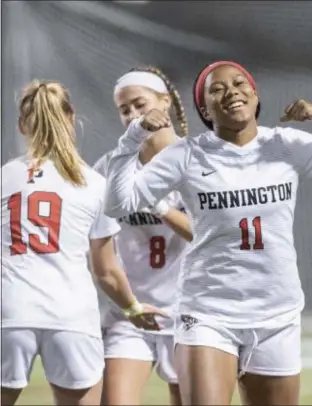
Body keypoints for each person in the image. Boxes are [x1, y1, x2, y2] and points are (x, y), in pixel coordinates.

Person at [103, 61, 312, 406]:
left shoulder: (284, 144)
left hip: (276, 314)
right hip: (208, 311)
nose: (232, 92)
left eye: (240, 83)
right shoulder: (187, 154)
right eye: (217, 89)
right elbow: (119, 204)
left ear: (255, 94)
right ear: (203, 108)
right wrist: (133, 137)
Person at [1, 80, 167, 406]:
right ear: (71, 116)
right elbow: (105, 270)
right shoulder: (92, 182)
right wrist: (132, 308)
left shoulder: (4, 176)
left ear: (22, 125)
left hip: (8, 312)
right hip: (71, 315)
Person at [94, 66, 191, 406]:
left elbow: (209, 233)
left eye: (139, 104)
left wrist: (160, 207)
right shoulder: (110, 167)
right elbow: (96, 242)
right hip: (130, 312)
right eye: (125, 110)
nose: (133, 115)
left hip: (190, 313)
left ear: (164, 102)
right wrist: (127, 303)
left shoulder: (198, 159)